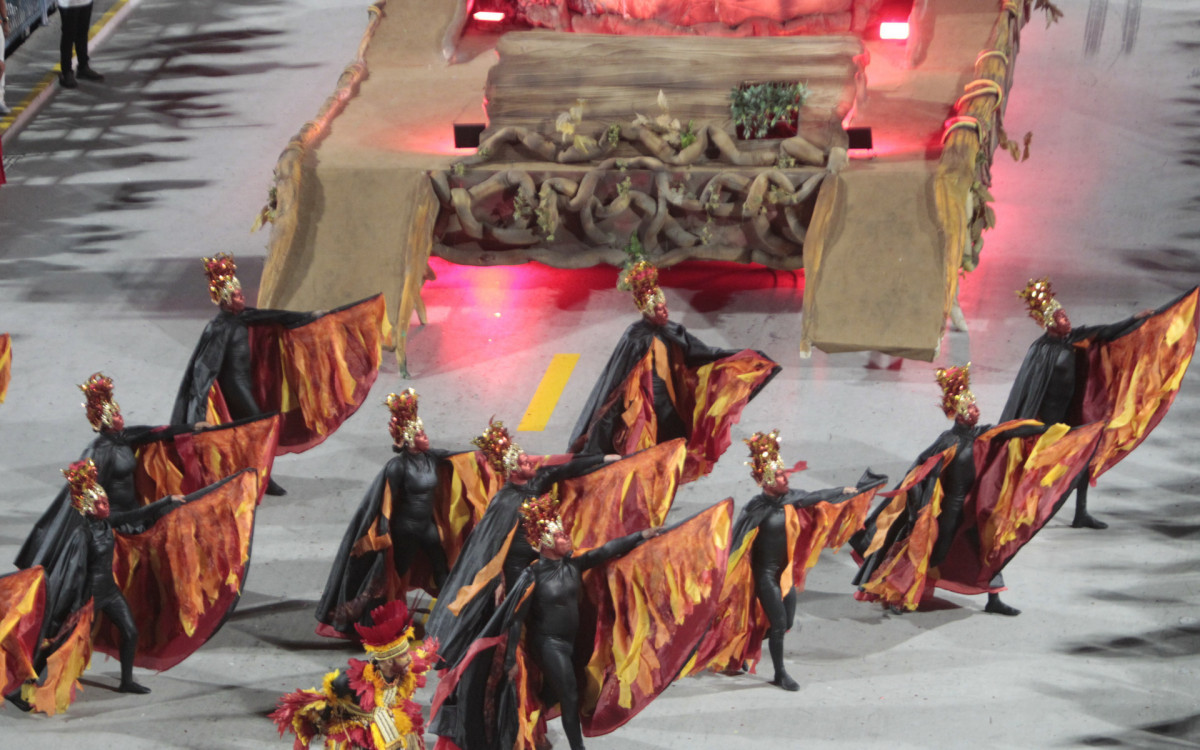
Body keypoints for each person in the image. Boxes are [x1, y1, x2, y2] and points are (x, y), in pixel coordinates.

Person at [11, 460, 262, 714]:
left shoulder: (107, 523)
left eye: (105, 500)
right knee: (57, 645)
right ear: (87, 507)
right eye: (99, 502)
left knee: (129, 631)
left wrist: (166, 502)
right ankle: (16, 688)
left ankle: (126, 681)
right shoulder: (81, 535)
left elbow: (135, 515)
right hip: (89, 598)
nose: (105, 505)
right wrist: (74, 606)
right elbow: (72, 571)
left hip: (109, 591)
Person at [852, 364, 1100, 617]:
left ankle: (994, 599)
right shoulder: (949, 442)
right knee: (931, 552)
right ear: (959, 414)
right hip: (945, 511)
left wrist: (1057, 431)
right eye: (970, 407)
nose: (976, 409)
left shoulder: (980, 435)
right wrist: (918, 513)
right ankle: (897, 594)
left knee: (986, 547)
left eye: (974, 404)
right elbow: (917, 477)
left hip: (970, 506)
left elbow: (1013, 430)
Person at [171, 252, 384, 493]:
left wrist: (308, 317)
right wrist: (198, 413)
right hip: (235, 388)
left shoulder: (244, 316)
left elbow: (276, 317)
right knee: (263, 428)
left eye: (241, 294)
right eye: (235, 296)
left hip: (249, 383)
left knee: (256, 432)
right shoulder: (219, 329)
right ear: (222, 300)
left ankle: (256, 475)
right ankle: (260, 478)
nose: (241, 299)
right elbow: (203, 370)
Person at [1001, 278, 1198, 529]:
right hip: (1047, 422)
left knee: (1087, 454)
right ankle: (1021, 512)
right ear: (1049, 323)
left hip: (1072, 413)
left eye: (1065, 314)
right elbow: (1030, 391)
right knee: (1041, 464)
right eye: (1061, 318)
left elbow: (1104, 333)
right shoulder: (1042, 352)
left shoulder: (1072, 338)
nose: (1067, 320)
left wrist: (1136, 320)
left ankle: (1080, 512)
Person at [568, 253, 779, 483]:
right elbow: (617, 377)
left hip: (670, 398)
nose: (664, 312)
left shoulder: (672, 330)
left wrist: (740, 359)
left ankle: (663, 473)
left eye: (664, 306)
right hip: (643, 401)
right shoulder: (635, 337)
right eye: (658, 310)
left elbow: (701, 353)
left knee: (672, 437)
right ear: (646, 312)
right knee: (643, 440)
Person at [699, 431, 882, 691]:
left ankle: (742, 647)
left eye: (786, 473)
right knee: (779, 623)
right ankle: (779, 673)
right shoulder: (755, 509)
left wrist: (845, 490)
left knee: (787, 623)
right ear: (765, 481)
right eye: (781, 476)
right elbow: (736, 542)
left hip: (784, 576)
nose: (787, 478)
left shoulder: (790, 499)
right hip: (764, 575)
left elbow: (816, 496)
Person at [424, 419, 613, 669]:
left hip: (542, 558)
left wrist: (606, 458)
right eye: (524, 463)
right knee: (516, 612)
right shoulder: (504, 501)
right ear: (512, 471)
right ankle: (510, 658)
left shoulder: (537, 481)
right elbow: (489, 543)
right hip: (515, 565)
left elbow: (566, 468)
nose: (530, 463)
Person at [316, 389, 455, 638]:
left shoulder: (432, 458)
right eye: (421, 435)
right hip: (405, 529)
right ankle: (371, 617)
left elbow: (461, 458)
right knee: (393, 575)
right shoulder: (397, 466)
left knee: (441, 565)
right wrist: (382, 533)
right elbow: (385, 500)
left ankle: (451, 615)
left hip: (426, 526)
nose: (427, 437)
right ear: (411, 440)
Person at [272, 600, 439, 750]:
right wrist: (316, 723)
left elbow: (423, 656)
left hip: (393, 726)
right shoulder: (350, 681)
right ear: (388, 662)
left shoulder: (405, 669)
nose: (410, 658)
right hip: (360, 738)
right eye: (403, 656)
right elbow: (328, 703)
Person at [57, 0, 104, 89]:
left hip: (85, 2)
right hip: (68, 4)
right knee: (68, 36)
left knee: (82, 33)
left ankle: (83, 66)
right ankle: (66, 71)